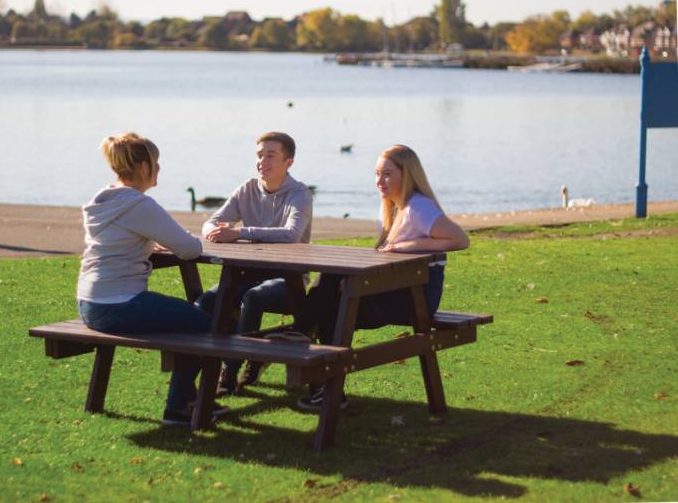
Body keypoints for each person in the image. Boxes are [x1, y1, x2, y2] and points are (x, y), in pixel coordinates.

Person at [295, 144, 470, 411]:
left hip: (415, 298)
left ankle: (304, 342)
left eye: (387, 174)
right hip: (396, 289)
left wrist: (409, 246)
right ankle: (321, 378)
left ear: (407, 174)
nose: (379, 181)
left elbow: (460, 239)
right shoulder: (390, 208)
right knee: (329, 289)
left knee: (331, 305)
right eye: (377, 174)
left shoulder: (418, 208)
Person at [77, 132, 228, 425]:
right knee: (204, 324)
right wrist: (166, 238)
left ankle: (188, 399)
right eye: (156, 163)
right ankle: (181, 406)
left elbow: (119, 238)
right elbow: (189, 248)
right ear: (144, 167)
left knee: (186, 318)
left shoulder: (105, 201)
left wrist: (147, 241)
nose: (159, 169)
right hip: (119, 304)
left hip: (89, 303)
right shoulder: (138, 205)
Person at [196, 131, 313, 396]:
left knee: (253, 297)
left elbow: (291, 234)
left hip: (289, 280)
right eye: (260, 155)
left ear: (288, 162)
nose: (262, 161)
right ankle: (196, 368)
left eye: (270, 156)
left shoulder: (299, 194)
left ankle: (229, 372)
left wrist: (239, 232)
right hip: (248, 273)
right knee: (209, 299)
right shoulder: (246, 189)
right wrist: (213, 231)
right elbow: (211, 222)